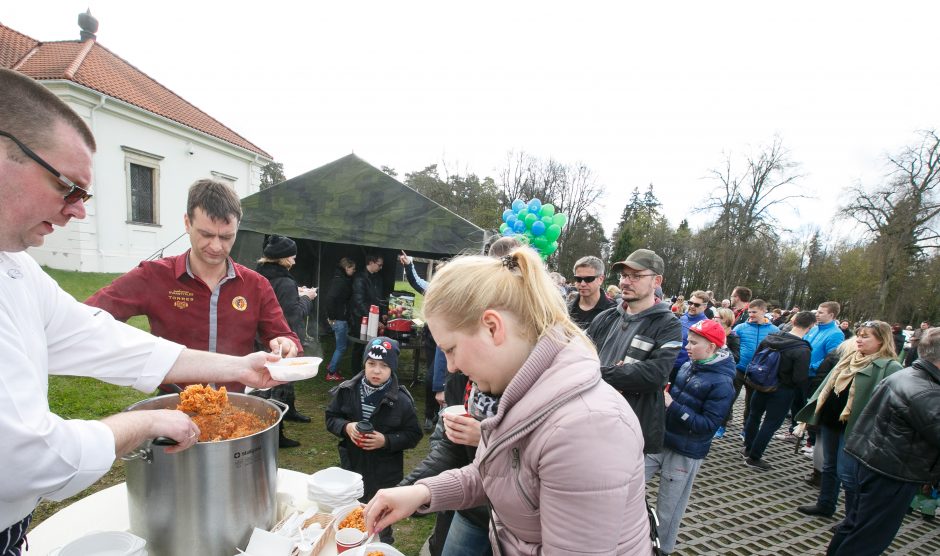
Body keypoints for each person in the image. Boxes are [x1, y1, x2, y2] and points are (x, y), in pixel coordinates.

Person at [0, 67, 281, 554]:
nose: (78, 210)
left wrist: (241, 367)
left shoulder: (17, 271)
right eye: (68, 186)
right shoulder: (154, 275)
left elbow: (102, 339)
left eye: (85, 194)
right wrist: (145, 422)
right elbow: (26, 457)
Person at [363, 248, 653, 554]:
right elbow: (499, 473)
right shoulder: (516, 391)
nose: (450, 367)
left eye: (451, 349)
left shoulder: (587, 429)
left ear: (492, 327)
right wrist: (422, 492)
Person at [86, 179, 301, 394]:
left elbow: (284, 335)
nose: (216, 246)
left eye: (227, 237)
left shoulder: (256, 285)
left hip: (234, 404)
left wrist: (286, 344)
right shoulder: (154, 275)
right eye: (206, 234)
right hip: (175, 404)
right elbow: (86, 320)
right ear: (187, 223)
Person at [831, 327, 940, 555]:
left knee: (854, 526)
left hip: (874, 461)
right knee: (868, 539)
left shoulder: (907, 375)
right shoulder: (926, 391)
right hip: (893, 472)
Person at [795, 321, 902, 520]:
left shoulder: (889, 367)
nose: (859, 339)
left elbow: (892, 402)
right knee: (829, 466)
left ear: (881, 340)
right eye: (859, 334)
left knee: (848, 474)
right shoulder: (851, 358)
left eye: (866, 336)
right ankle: (826, 504)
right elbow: (829, 385)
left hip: (856, 428)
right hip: (832, 420)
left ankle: (852, 518)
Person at [647, 319, 735, 554]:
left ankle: (661, 550)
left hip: (686, 453)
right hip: (661, 440)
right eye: (688, 341)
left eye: (694, 343)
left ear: (712, 348)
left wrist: (672, 406)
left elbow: (707, 426)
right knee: (630, 481)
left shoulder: (723, 383)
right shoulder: (689, 365)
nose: (687, 346)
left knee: (669, 508)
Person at [325, 336, 422, 544]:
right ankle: (353, 542)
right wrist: (346, 427)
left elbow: (414, 435)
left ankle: (382, 544)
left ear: (392, 369)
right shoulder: (347, 390)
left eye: (384, 366)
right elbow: (331, 418)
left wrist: (386, 441)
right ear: (364, 364)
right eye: (371, 364)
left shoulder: (401, 401)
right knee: (353, 513)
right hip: (352, 468)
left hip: (384, 474)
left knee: (381, 520)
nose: (376, 371)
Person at [587, 249, 682, 456]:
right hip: (590, 416)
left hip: (629, 426)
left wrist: (598, 373)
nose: (625, 282)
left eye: (636, 276)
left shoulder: (668, 325)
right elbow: (576, 356)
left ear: (656, 281)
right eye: (623, 275)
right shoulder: (606, 317)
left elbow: (656, 375)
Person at [255, 234, 318, 446]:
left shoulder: (260, 275)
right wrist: (306, 298)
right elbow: (293, 315)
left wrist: (295, 293)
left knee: (283, 382)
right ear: (283, 259)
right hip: (281, 341)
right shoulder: (284, 281)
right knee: (277, 385)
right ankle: (277, 434)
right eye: (292, 256)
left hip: (261, 338)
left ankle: (290, 411)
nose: (295, 260)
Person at [741, 311, 813, 471]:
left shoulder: (770, 338)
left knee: (754, 415)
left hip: (761, 384)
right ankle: (754, 456)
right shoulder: (802, 350)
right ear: (810, 327)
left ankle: (748, 447)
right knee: (771, 423)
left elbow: (756, 358)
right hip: (783, 390)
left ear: (793, 321)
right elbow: (800, 378)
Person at [716, 298, 778, 439]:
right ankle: (721, 426)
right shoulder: (741, 328)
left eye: (754, 312)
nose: (751, 315)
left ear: (764, 311)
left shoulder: (774, 330)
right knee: (729, 398)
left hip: (758, 372)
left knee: (751, 403)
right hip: (739, 368)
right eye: (749, 312)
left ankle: (746, 428)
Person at [323, 257, 357, 381]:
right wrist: (332, 317)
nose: (354, 271)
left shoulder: (342, 279)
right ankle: (331, 373)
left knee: (344, 344)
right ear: (347, 268)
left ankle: (332, 364)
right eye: (353, 269)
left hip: (341, 318)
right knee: (341, 347)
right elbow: (329, 299)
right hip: (339, 319)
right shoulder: (340, 281)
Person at [671, 290, 710, 383]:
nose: (692, 306)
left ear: (704, 307)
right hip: (669, 362)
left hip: (683, 369)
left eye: (696, 305)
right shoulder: (683, 317)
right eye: (690, 303)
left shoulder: (706, 325)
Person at [568, 255, 615, 330]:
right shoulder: (566, 309)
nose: (582, 284)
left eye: (588, 279)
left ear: (601, 279)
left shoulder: (612, 312)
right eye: (578, 279)